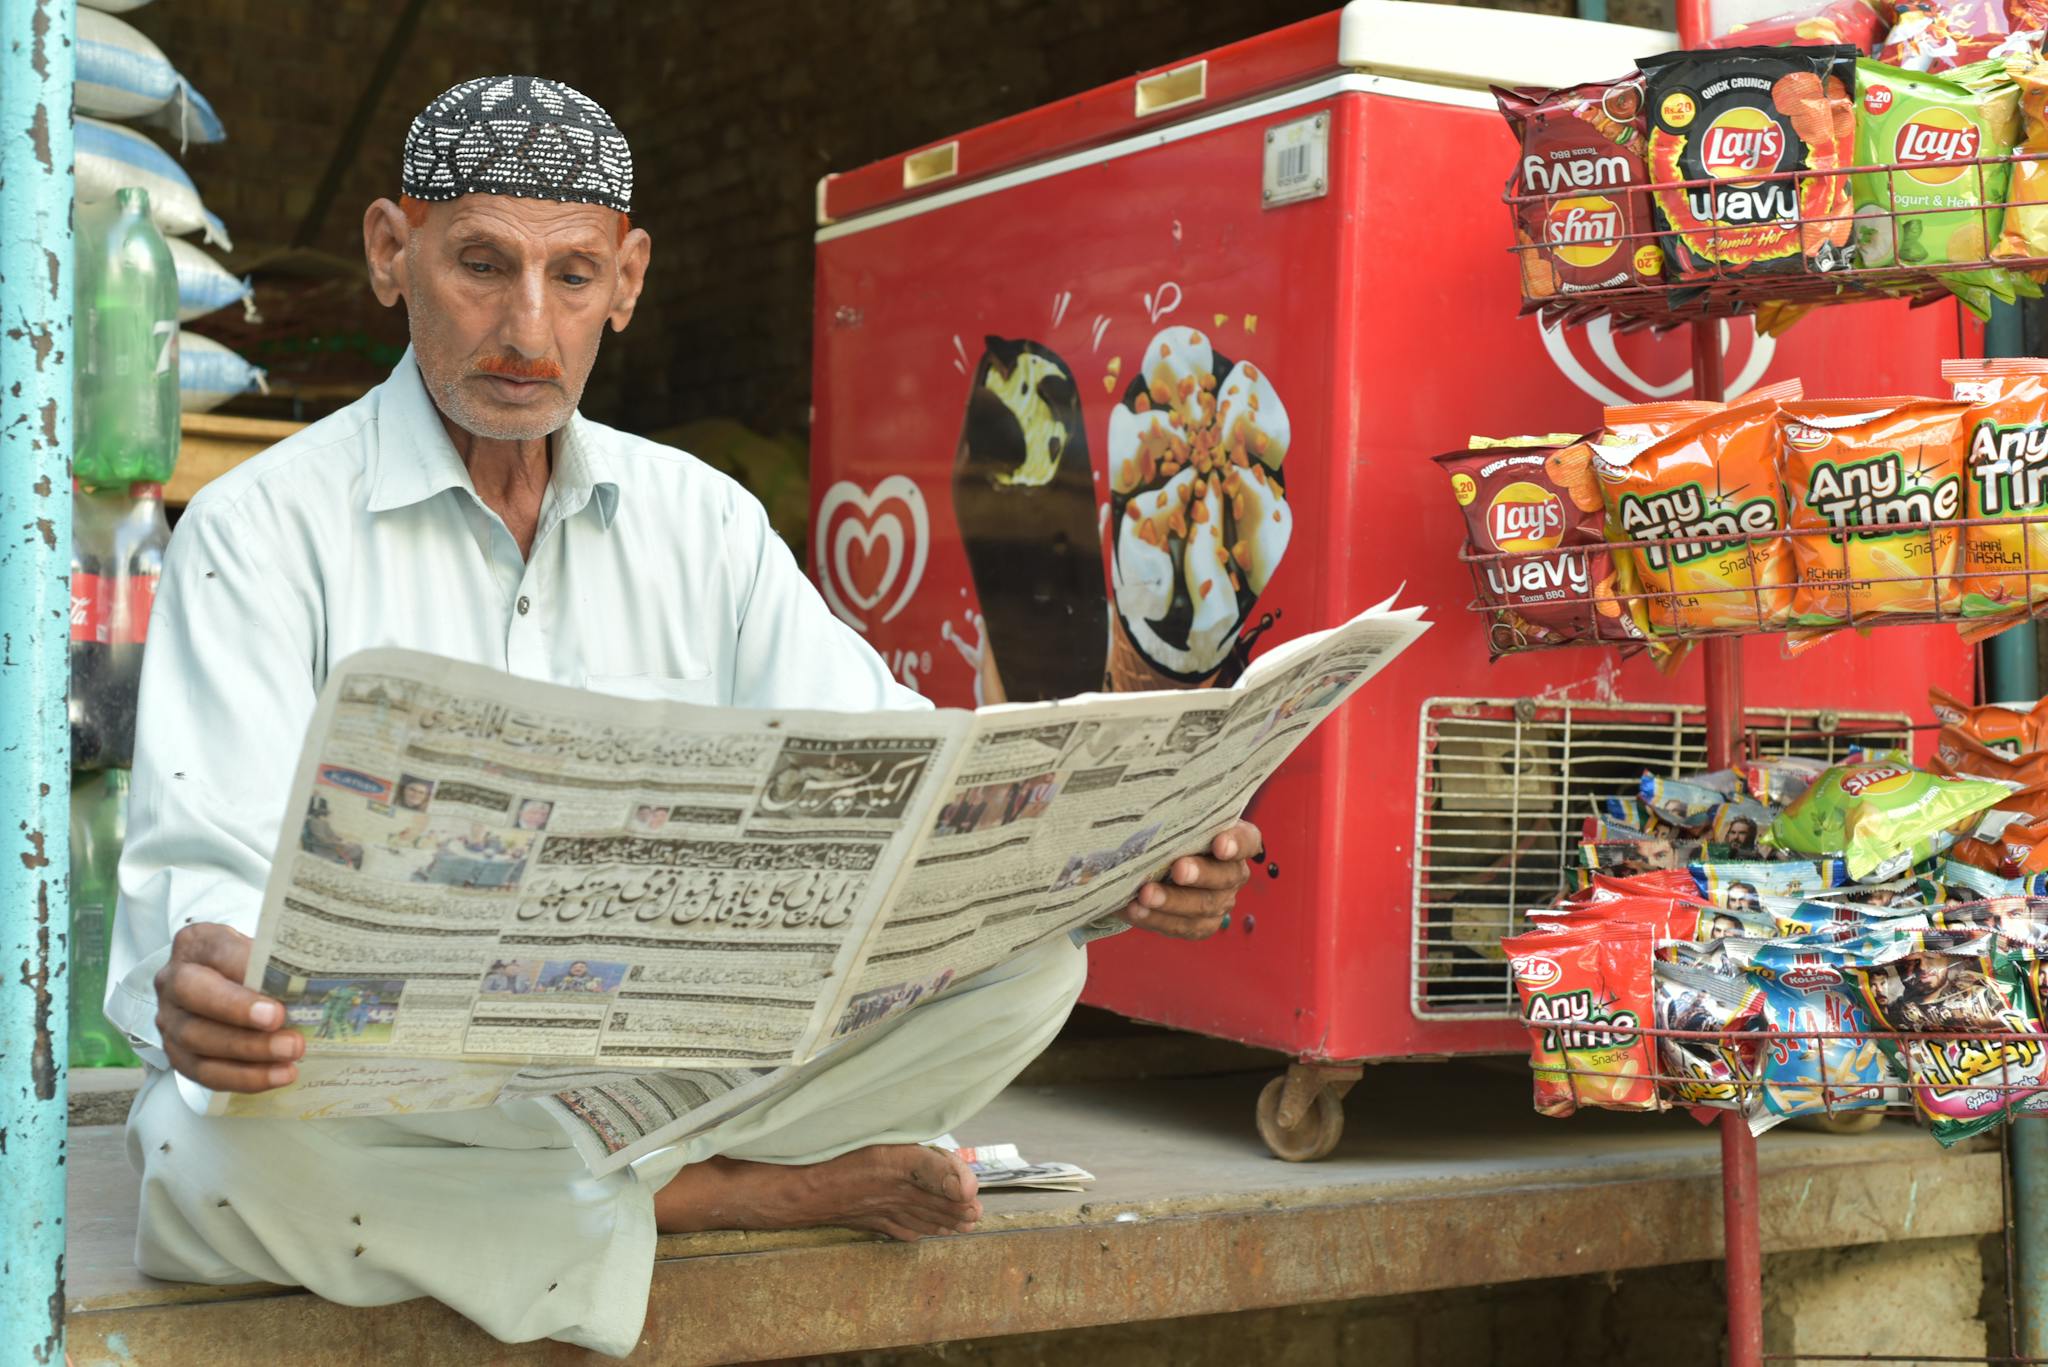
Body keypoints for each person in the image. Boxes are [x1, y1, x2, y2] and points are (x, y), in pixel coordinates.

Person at [107, 76, 1265, 1359]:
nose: (526, 329)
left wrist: (1117, 862)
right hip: (400, 1095)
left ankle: (585, 1192)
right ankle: (709, 1197)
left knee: (1031, 972)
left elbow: (910, 773)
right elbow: (201, 857)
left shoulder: (701, 521)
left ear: (630, 278)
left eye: (574, 275)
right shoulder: (258, 529)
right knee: (210, 1161)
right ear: (393, 252)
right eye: (481, 265)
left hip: (653, 1072)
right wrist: (208, 973)